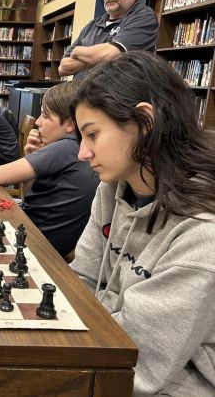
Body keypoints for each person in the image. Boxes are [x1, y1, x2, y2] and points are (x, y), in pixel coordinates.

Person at [70, 51, 215, 395]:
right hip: (104, 358)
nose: (82, 153)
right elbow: (82, 285)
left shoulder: (203, 234)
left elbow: (139, 366)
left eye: (92, 134)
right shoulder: (111, 191)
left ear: (145, 122)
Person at [0, 82, 99, 257]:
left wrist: (32, 159)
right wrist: (33, 156)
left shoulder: (66, 147)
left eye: (45, 116)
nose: (38, 122)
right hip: (42, 236)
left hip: (33, 243)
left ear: (70, 124)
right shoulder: (79, 147)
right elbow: (28, 197)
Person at [58, 0, 158, 80]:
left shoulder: (144, 17)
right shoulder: (92, 25)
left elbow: (109, 54)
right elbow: (63, 67)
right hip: (80, 95)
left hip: (116, 97)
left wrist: (78, 52)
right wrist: (96, 57)